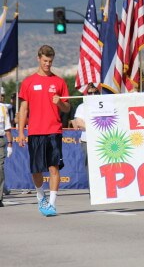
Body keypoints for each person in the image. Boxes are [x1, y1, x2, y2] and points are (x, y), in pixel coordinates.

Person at [18, 45, 70, 217]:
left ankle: (52, 204)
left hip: (54, 131)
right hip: (35, 132)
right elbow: (23, 110)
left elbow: (67, 108)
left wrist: (60, 103)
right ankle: (41, 195)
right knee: (36, 170)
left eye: (50, 61)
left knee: (54, 168)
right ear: (38, 59)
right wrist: (20, 133)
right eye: (45, 61)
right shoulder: (28, 82)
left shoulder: (59, 82)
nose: (48, 64)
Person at [73, 83, 100, 186]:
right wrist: (95, 129)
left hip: (103, 140)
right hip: (87, 140)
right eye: (90, 93)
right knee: (89, 166)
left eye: (95, 92)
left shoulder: (105, 105)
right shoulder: (82, 106)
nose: (93, 95)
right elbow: (79, 122)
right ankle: (93, 189)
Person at [0, 101, 13, 207]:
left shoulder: (3, 108)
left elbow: (7, 127)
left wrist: (10, 144)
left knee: (0, 169)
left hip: (0, 140)